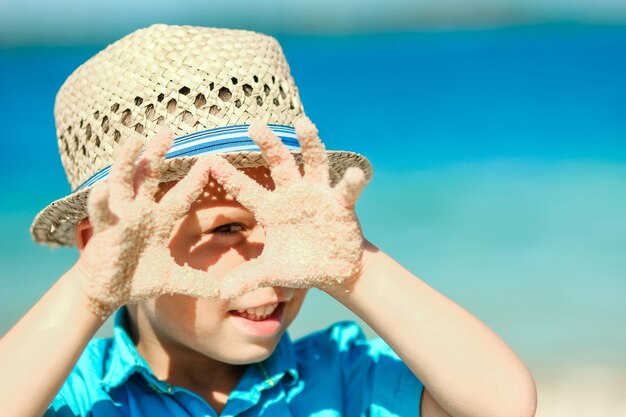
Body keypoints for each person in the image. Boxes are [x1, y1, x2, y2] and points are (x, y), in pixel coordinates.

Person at [0, 24, 537, 417]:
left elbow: (502, 405)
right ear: (106, 245)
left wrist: (353, 269)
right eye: (227, 227)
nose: (270, 260)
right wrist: (90, 291)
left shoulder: (346, 378)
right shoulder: (74, 396)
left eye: (287, 224)